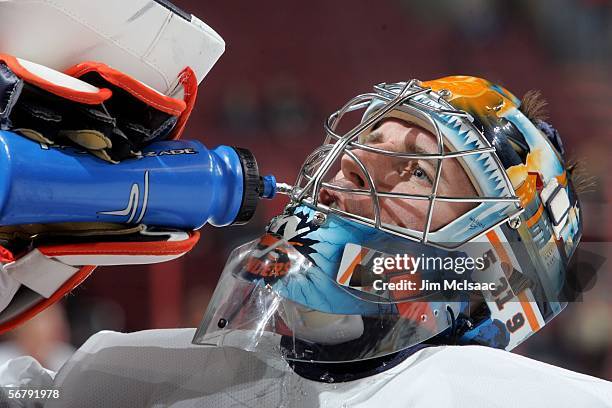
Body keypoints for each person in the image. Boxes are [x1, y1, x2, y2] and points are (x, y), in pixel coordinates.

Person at [1, 76, 610, 408]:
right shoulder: (127, 373)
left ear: (488, 268)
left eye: (417, 171)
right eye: (361, 147)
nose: (349, 172)